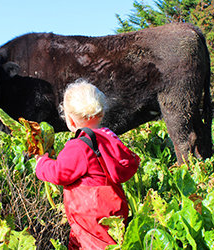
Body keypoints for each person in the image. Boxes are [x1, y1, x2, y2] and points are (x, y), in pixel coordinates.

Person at [35, 79, 140, 250]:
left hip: (89, 216)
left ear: (69, 119)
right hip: (114, 207)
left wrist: (42, 163)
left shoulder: (78, 146)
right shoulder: (109, 137)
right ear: (102, 113)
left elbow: (59, 173)